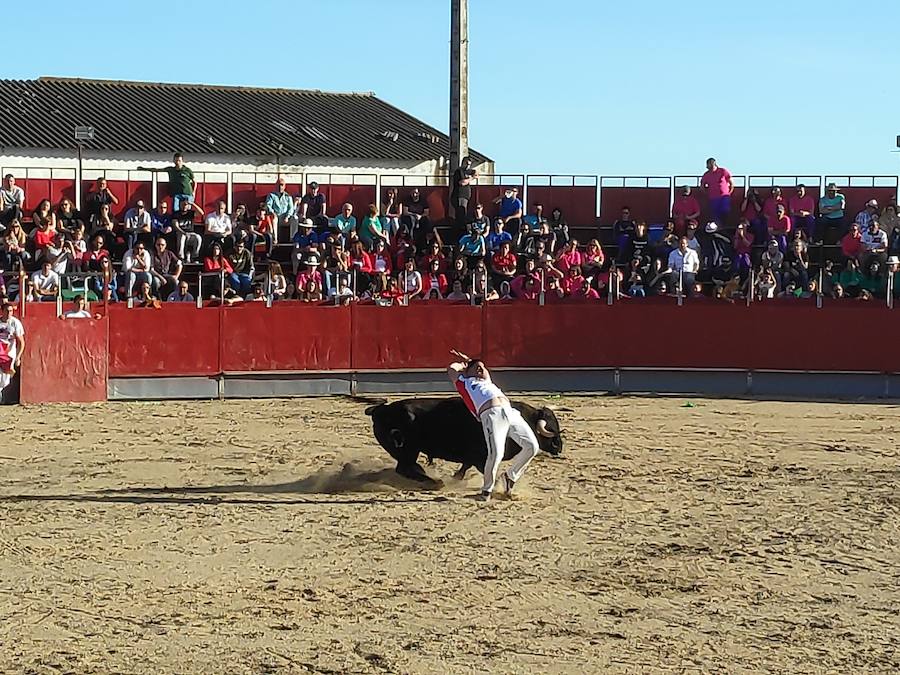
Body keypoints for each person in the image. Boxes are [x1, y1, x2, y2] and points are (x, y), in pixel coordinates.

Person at [447, 349, 540, 502]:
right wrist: (463, 364)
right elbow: (451, 368)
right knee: (496, 453)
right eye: (476, 367)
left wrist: (471, 361)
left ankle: (510, 477)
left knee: (532, 446)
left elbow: (479, 369)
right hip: (491, 415)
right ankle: (486, 491)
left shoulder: (487, 381)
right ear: (467, 372)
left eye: (482, 367)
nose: (480, 369)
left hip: (511, 413)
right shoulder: (464, 382)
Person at [0, 301, 25, 402]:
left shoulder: (15, 323)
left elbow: (21, 342)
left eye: (11, 311)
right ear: (2, 311)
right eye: (7, 311)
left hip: (9, 352)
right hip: (0, 350)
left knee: (5, 377)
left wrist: (18, 357)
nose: (9, 313)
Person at [700, 158, 734, 225]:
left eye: (709, 164)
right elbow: (702, 186)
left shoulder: (722, 171)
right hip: (713, 197)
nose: (707, 166)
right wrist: (707, 193)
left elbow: (731, 182)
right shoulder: (706, 174)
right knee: (715, 214)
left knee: (725, 210)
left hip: (724, 196)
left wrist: (729, 192)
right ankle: (718, 227)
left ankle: (724, 224)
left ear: (713, 163)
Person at [451, 156, 477, 233]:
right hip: (459, 195)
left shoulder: (467, 171)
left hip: (465, 196)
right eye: (466, 163)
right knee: (460, 214)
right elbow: (461, 182)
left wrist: (474, 173)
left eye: (469, 164)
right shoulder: (459, 171)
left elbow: (476, 173)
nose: (468, 166)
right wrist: (471, 178)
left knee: (463, 213)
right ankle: (459, 231)